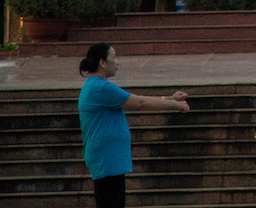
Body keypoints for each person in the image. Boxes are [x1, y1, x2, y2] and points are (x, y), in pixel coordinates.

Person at [76, 42, 188, 208]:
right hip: (107, 159)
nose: (117, 62)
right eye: (114, 57)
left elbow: (136, 100)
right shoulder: (100, 88)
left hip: (109, 159)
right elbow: (139, 103)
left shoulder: (98, 87)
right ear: (102, 62)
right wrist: (175, 106)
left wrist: (169, 99)